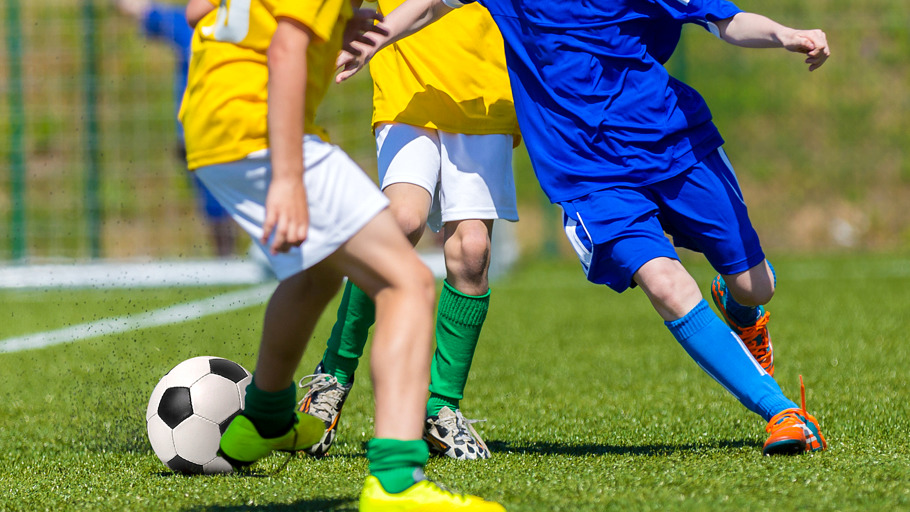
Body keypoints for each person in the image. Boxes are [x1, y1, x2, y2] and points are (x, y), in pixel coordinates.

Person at [336, 0, 831, 456]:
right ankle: (784, 413)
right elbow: (428, 4)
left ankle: (742, 309)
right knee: (664, 282)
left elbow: (725, 20)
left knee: (755, 283)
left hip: (676, 146)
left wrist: (786, 34)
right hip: (590, 176)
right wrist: (378, 36)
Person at [179, 0, 505, 509]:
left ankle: (265, 420)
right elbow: (288, 47)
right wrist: (288, 177)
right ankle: (396, 484)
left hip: (209, 121)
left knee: (319, 273)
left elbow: (198, 11)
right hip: (259, 128)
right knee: (408, 283)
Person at [297, 0, 520, 462]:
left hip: (484, 92)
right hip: (408, 85)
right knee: (401, 223)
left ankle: (440, 408)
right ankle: (333, 376)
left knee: (472, 252)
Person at [113, 0, 237, 258]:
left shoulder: (193, 25)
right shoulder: (190, 25)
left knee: (221, 197)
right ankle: (228, 255)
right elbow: (141, 10)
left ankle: (231, 254)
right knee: (217, 199)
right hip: (209, 130)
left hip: (214, 129)